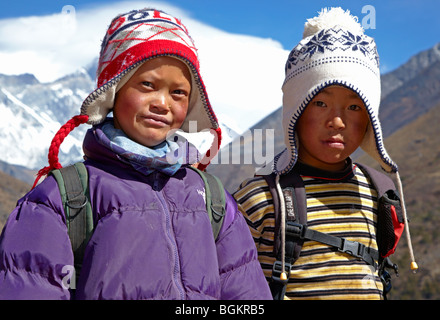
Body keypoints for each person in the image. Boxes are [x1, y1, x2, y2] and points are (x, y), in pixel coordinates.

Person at [0, 8, 272, 300]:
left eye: (178, 92)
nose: (162, 103)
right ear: (113, 91)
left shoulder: (211, 198)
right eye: (147, 85)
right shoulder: (61, 198)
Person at [233, 7, 417, 300]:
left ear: (370, 118)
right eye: (320, 103)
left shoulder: (379, 192)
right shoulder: (259, 198)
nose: (338, 121)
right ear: (296, 108)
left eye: (355, 107)